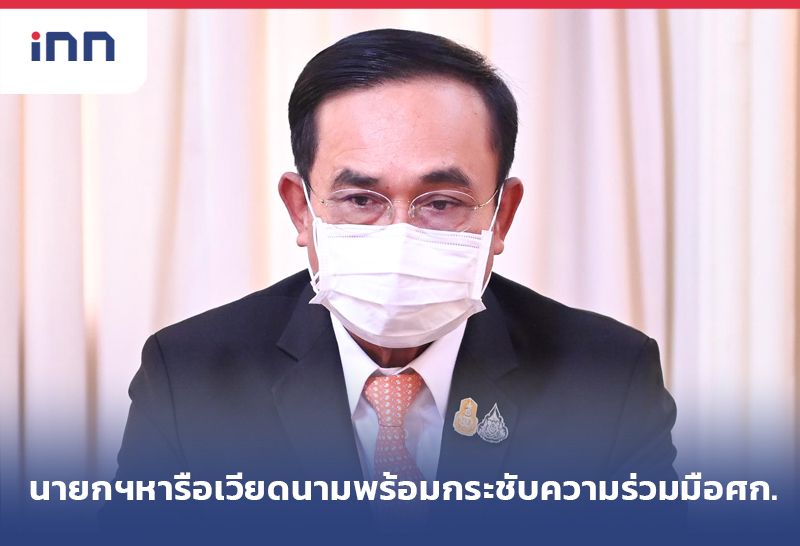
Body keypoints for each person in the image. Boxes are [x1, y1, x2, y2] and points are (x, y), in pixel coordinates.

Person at [101, 28, 684, 537]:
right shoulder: (189, 377)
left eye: (441, 202)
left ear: (501, 217)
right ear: (302, 211)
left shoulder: (608, 378)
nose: (399, 235)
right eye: (360, 199)